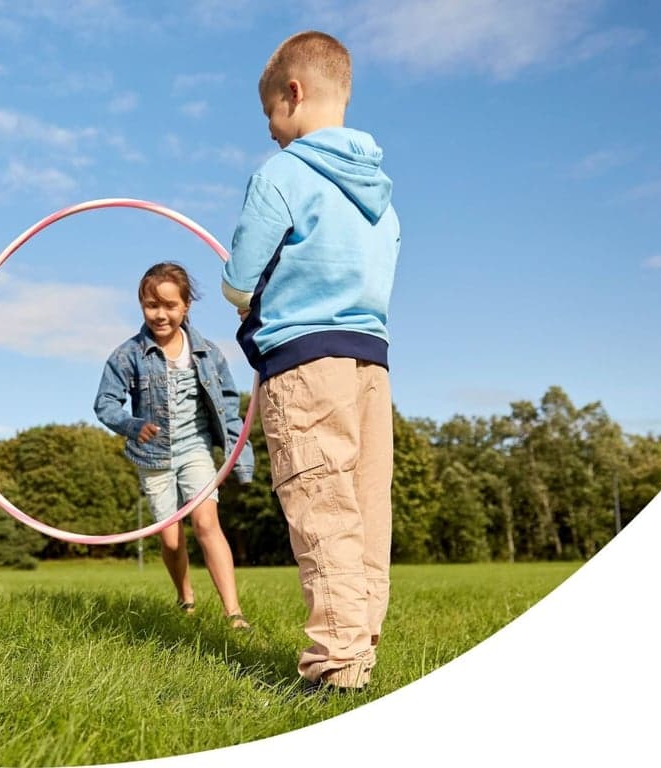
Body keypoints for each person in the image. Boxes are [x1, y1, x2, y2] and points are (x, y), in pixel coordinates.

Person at [221, 30, 401, 690]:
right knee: (362, 509)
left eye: (270, 112)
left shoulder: (281, 175)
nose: (271, 130)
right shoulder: (380, 194)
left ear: (291, 94)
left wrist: (243, 301)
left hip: (304, 367)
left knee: (321, 509)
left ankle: (333, 669)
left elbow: (239, 279)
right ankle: (358, 648)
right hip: (370, 366)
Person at [95, 262, 254, 630]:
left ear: (186, 307)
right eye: (152, 305)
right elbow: (105, 403)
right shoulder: (128, 354)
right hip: (153, 456)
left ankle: (234, 613)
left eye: (169, 305)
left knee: (206, 522)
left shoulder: (208, 354)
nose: (160, 314)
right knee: (169, 541)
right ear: (141, 305)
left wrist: (239, 460)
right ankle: (186, 598)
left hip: (195, 447)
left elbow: (231, 410)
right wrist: (132, 425)